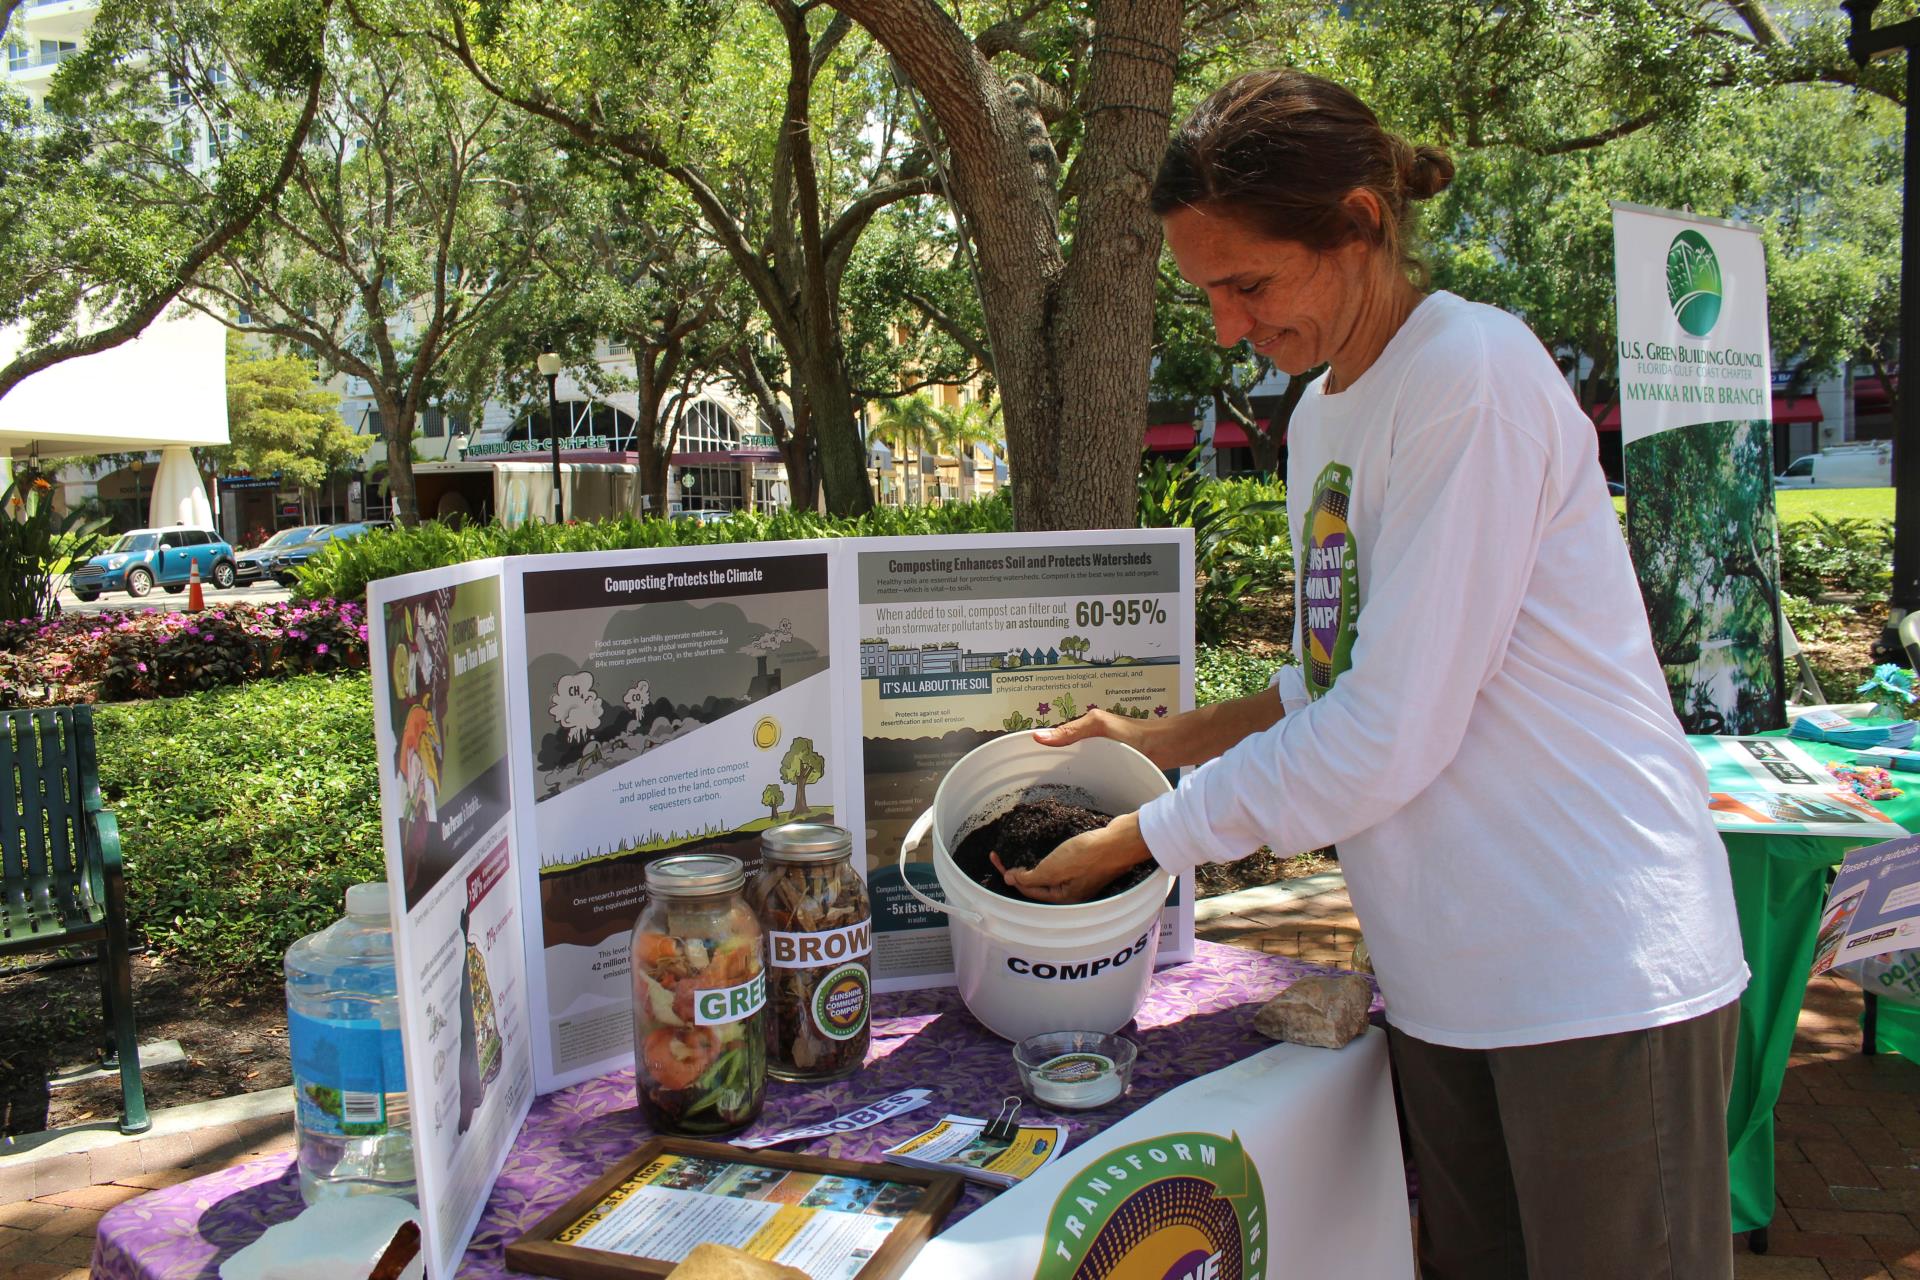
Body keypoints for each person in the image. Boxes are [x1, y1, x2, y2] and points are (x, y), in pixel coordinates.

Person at [994, 69, 1749, 1280]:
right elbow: (1333, 685)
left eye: (1249, 283)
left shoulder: (1472, 375)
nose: (1230, 325)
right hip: (1450, 976)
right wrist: (1157, 734)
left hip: (1595, 968)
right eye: (1208, 294)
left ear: (1358, 221)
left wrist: (1142, 834)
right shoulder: (1322, 420)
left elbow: (1387, 732)